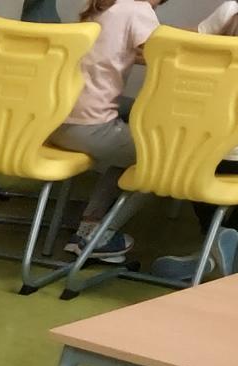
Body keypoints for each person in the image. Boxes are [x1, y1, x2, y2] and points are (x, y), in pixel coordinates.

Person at [50, 0, 167, 267]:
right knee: (162, 159)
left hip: (54, 121)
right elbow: (167, 59)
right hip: (86, 128)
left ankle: (90, 224)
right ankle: (99, 237)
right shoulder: (138, 10)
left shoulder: (103, 8)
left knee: (132, 124)